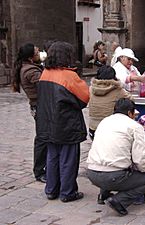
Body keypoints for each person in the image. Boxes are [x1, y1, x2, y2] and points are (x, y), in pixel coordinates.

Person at [36, 41, 89, 202]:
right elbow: (84, 98)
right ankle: (67, 192)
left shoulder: (44, 73)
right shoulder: (69, 76)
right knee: (68, 159)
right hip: (67, 124)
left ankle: (51, 189)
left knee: (52, 157)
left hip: (48, 123)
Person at [87, 98, 145, 216]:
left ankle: (103, 194)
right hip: (113, 176)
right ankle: (119, 201)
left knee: (110, 162)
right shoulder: (135, 126)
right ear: (130, 113)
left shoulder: (104, 122)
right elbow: (140, 159)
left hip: (92, 173)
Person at [12, 43, 47, 183]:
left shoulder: (30, 67)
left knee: (43, 138)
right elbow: (45, 87)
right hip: (40, 106)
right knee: (42, 139)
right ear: (31, 57)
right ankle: (39, 171)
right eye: (37, 52)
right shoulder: (31, 71)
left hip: (38, 106)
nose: (40, 54)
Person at [88, 65, 132, 140]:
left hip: (93, 129)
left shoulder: (91, 88)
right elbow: (131, 99)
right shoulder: (118, 90)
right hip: (110, 130)